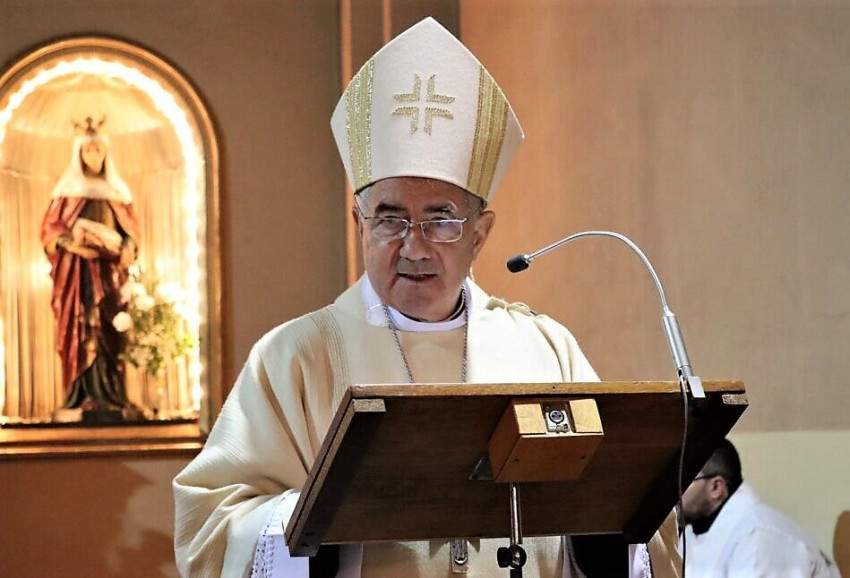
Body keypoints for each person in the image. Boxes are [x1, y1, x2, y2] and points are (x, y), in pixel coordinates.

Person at [173, 18, 678, 577]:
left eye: (441, 220)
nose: (413, 247)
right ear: (359, 225)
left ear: (480, 233)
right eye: (390, 219)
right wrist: (324, 519)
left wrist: (601, 534)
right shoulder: (295, 355)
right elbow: (209, 528)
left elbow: (625, 506)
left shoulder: (546, 350)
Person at [41, 117, 140, 417]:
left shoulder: (117, 192)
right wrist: (69, 244)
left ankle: (113, 394)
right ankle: (79, 394)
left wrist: (128, 245)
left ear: (106, 152)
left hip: (110, 274)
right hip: (77, 275)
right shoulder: (66, 192)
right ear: (79, 154)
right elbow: (50, 231)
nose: (93, 156)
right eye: (87, 151)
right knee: (81, 325)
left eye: (98, 150)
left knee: (111, 326)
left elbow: (130, 233)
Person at [680, 438, 839, 577]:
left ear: (716, 487)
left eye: (684, 480)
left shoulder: (759, 534)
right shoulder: (693, 530)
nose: (676, 489)